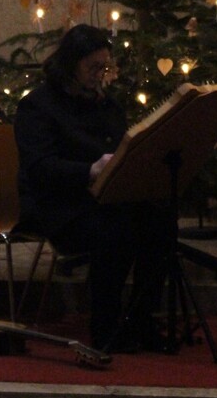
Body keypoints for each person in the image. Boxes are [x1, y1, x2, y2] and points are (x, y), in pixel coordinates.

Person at [14, 24, 171, 352]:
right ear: (71, 63)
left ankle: (142, 317)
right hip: (58, 206)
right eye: (93, 67)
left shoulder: (104, 104)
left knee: (160, 220)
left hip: (102, 199)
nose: (100, 75)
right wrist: (90, 170)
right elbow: (40, 168)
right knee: (116, 229)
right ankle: (105, 327)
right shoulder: (38, 106)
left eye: (104, 67)